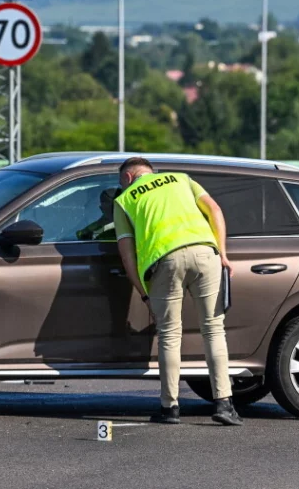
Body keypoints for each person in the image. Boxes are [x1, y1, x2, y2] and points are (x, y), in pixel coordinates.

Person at [113, 156, 242, 426]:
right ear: (150, 172)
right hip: (205, 252)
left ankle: (170, 408)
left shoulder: (124, 200)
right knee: (214, 329)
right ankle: (225, 405)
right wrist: (223, 254)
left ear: (127, 178)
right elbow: (215, 210)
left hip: (165, 261)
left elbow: (127, 257)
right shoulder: (181, 179)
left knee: (170, 336)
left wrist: (144, 293)